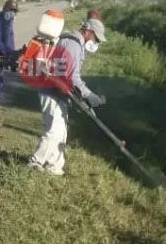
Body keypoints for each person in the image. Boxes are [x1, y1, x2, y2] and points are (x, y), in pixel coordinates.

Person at [27, 18, 107, 175]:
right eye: (95, 38)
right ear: (88, 31)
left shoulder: (71, 41)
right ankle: (35, 162)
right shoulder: (73, 44)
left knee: (61, 131)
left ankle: (54, 166)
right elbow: (72, 77)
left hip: (57, 91)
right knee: (54, 130)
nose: (96, 42)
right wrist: (89, 95)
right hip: (51, 90)